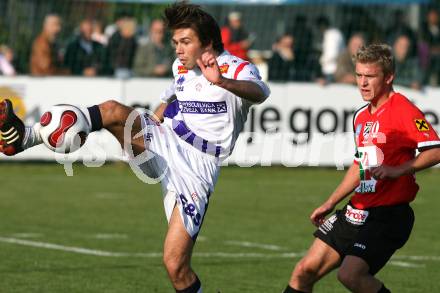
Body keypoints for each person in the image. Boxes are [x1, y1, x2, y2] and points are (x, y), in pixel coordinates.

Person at [0, 3, 270, 292]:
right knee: (113, 111)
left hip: (198, 167)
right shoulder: (181, 66)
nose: (178, 50)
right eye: (175, 42)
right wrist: (151, 122)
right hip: (167, 141)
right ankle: (25, 138)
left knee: (176, 265)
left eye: (186, 42)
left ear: (208, 43)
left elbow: (261, 92)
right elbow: (170, 97)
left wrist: (223, 81)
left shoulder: (237, 68)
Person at [283, 44, 440, 293]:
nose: (362, 83)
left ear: (388, 77)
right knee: (304, 272)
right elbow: (360, 165)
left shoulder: (403, 109)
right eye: (359, 75)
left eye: (370, 76)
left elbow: (435, 150)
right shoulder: (361, 116)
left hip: (388, 215)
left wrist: (398, 170)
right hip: (357, 210)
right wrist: (330, 201)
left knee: (351, 275)